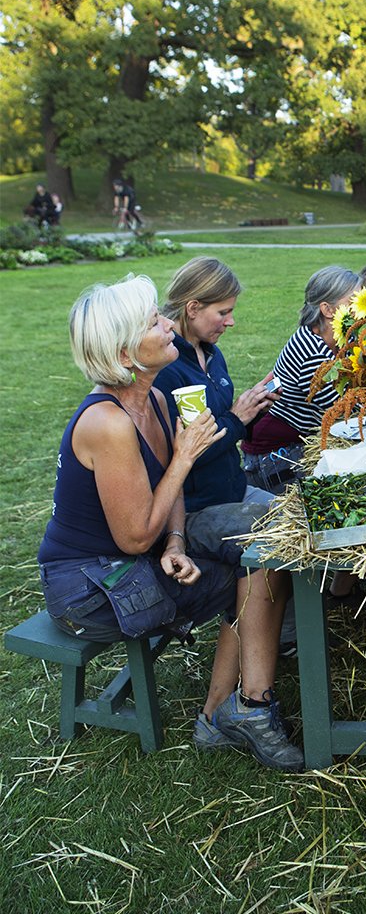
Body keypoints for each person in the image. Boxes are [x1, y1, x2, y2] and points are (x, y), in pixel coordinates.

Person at [37, 274, 303, 770]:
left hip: (133, 556)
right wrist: (184, 457)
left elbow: (168, 495)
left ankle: (235, 712)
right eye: (154, 322)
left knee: (262, 555)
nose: (169, 326)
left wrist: (177, 540)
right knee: (259, 566)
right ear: (123, 357)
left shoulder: (154, 399)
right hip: (89, 583)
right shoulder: (107, 422)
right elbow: (136, 535)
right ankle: (240, 711)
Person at [153, 257, 303, 762]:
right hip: (194, 511)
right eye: (223, 311)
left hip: (231, 488)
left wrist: (242, 408)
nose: (230, 320)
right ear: (192, 308)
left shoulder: (207, 352)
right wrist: (238, 420)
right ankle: (252, 684)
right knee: (281, 538)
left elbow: (215, 429)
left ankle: (280, 637)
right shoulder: (168, 368)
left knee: (301, 513)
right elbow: (188, 456)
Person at [241, 265, 361, 461]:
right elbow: (344, 410)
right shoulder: (311, 351)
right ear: (328, 310)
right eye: (353, 301)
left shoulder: (333, 339)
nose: (361, 308)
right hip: (273, 455)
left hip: (298, 442)